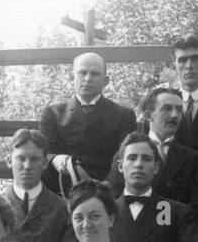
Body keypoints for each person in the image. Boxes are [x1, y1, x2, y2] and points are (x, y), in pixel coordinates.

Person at [39, 51, 137, 195]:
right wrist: (56, 159)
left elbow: (123, 158)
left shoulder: (124, 116)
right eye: (82, 73)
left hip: (107, 192)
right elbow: (48, 152)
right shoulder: (52, 114)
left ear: (106, 80)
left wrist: (106, 189)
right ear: (72, 77)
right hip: (62, 191)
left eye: (95, 74)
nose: (88, 78)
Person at [109, 131, 198, 242]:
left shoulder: (173, 212)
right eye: (132, 158)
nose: (138, 164)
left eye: (146, 159)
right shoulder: (107, 212)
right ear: (120, 166)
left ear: (156, 168)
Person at [107, 86, 198, 212]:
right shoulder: (125, 155)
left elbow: (196, 209)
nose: (175, 115)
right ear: (147, 115)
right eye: (167, 109)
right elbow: (115, 199)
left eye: (179, 110)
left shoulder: (195, 160)